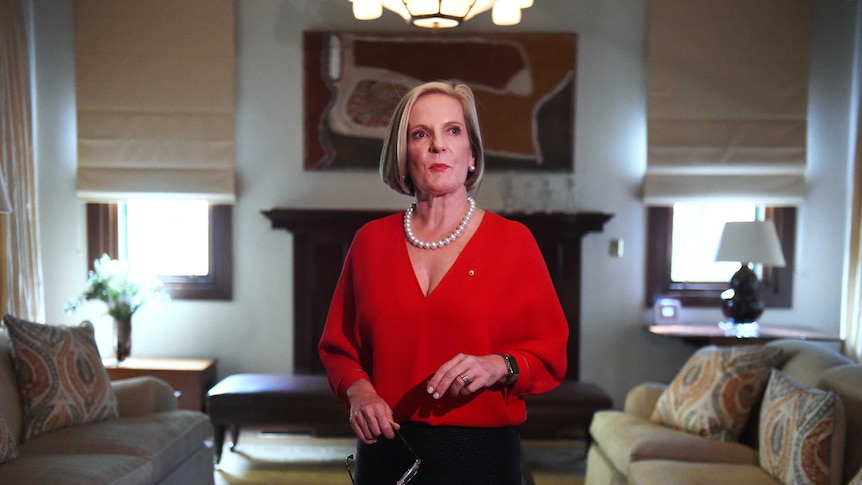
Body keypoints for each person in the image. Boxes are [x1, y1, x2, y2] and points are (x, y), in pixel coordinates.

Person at [318, 80, 568, 485]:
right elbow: (338, 349)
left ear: (472, 153)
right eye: (421, 134)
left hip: (480, 457)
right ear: (403, 156)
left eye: (453, 130)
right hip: (386, 453)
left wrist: (497, 365)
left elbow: (549, 355)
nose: (438, 145)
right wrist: (359, 392)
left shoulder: (514, 242)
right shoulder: (370, 242)